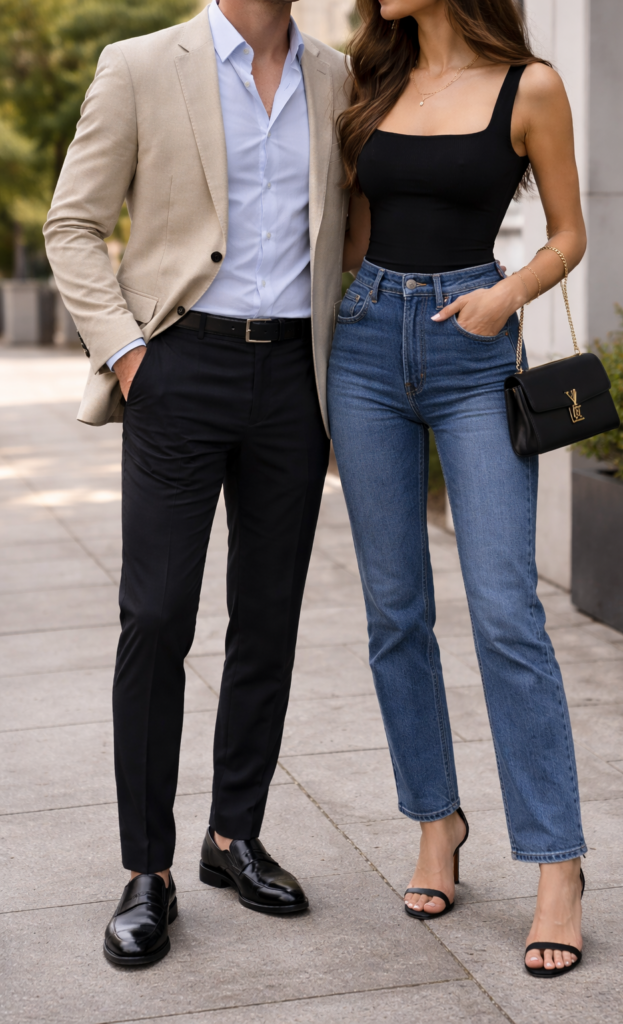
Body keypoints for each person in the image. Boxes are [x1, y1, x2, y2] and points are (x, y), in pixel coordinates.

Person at [44, 0, 348, 967]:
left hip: (294, 380)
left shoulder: (337, 78)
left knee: (268, 617)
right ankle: (148, 870)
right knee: (158, 615)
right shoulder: (139, 64)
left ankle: (233, 837)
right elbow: (72, 224)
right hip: (180, 367)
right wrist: (133, 358)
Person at [329, 0, 588, 977]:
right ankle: (435, 821)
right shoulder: (371, 79)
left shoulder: (532, 87)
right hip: (362, 344)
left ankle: (556, 864)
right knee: (393, 609)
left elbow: (566, 235)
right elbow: (352, 229)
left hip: (474, 345)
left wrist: (502, 296)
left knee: (502, 608)